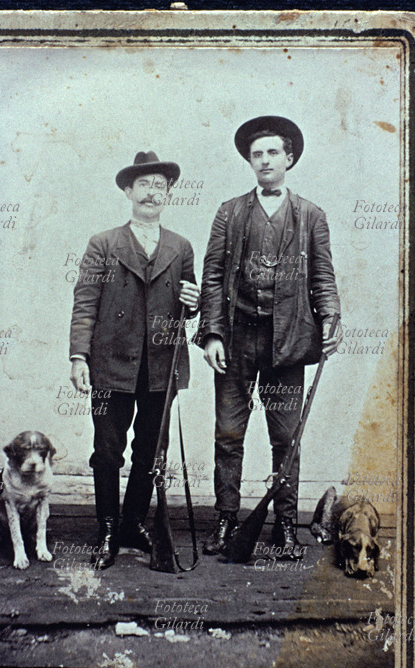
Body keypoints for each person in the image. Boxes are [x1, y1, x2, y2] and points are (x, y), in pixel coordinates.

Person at [198, 116, 341, 559]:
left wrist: (332, 316)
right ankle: (226, 521)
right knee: (228, 435)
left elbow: (323, 275)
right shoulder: (230, 211)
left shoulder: (312, 215)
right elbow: (213, 276)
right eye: (256, 154)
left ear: (289, 158)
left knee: (286, 438)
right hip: (237, 341)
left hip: (288, 345)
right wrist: (212, 334)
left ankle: (283, 526)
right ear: (250, 161)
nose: (264, 160)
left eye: (272, 152)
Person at [69, 151, 200, 569]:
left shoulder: (181, 247)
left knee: (150, 453)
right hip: (111, 364)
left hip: (161, 366)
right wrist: (79, 357)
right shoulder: (103, 243)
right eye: (144, 184)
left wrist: (194, 302)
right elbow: (85, 303)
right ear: (128, 191)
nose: (152, 192)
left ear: (168, 195)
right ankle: (108, 530)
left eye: (160, 186)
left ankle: (133, 525)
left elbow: (191, 300)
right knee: (107, 451)